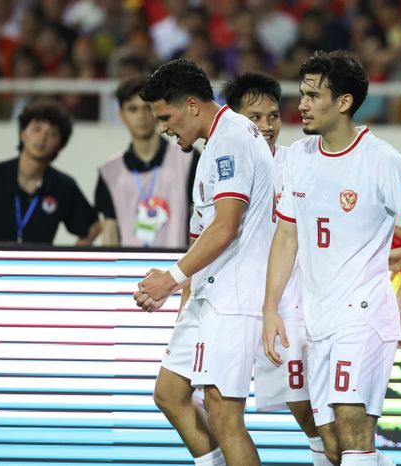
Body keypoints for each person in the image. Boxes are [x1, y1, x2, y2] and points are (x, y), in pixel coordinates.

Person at [262, 50, 401, 466]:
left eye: (314, 95)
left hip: (363, 317)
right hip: (318, 318)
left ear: (344, 102)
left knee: (352, 432)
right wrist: (270, 307)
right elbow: (286, 237)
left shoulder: (382, 161)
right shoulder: (297, 159)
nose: (303, 104)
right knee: (330, 445)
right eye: (302, 94)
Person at [132, 58, 273, 466]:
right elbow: (203, 232)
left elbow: (227, 225)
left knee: (225, 415)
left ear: (192, 105)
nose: (163, 127)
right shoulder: (214, 145)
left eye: (166, 116)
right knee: (171, 394)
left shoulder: (231, 139)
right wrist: (182, 297)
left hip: (234, 297)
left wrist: (171, 278)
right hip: (208, 296)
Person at [223, 72, 329, 465]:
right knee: (215, 405)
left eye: (272, 116)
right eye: (255, 117)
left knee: (313, 415)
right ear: (233, 120)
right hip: (240, 305)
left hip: (293, 306)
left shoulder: (298, 161)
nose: (266, 126)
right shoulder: (220, 168)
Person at [95, 76, 200, 248]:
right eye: (132, 109)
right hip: (128, 272)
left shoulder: (187, 158)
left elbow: (203, 218)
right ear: (121, 115)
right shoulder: (109, 172)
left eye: (146, 108)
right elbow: (110, 232)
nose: (141, 116)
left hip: (177, 269)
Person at [0, 99, 99, 244]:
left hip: (39, 265)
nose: (42, 138)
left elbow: (93, 226)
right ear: (23, 134)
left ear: (60, 146)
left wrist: (68, 263)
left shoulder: (63, 185)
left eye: (52, 134)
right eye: (37, 129)